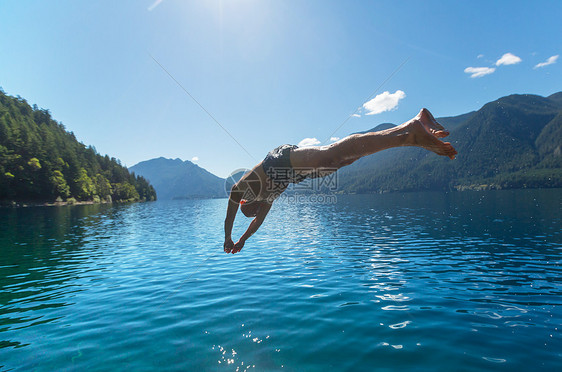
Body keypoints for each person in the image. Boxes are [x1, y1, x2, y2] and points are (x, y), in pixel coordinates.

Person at [223, 108, 457, 254]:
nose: (256, 214)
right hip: (291, 174)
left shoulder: (248, 190)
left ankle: (412, 128)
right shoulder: (265, 203)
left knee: (332, 155)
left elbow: (233, 197)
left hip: (278, 161)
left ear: (245, 203)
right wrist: (242, 240)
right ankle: (409, 135)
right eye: (255, 213)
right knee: (341, 162)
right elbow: (256, 224)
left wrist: (228, 237)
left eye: (251, 210)